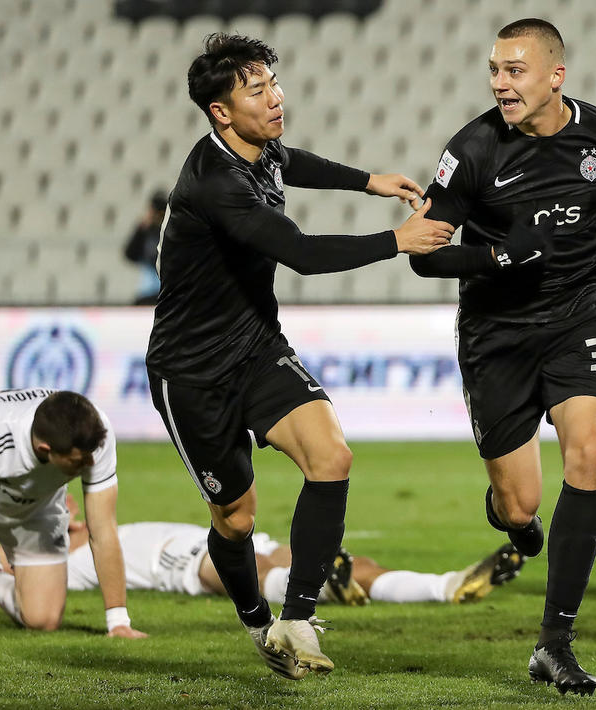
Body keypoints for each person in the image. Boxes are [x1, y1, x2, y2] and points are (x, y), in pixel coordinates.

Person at [145, 33, 453, 681]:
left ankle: (301, 615)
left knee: (331, 455)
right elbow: (303, 255)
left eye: (273, 84)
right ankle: (259, 623)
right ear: (221, 112)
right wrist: (396, 240)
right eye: (257, 91)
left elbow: (293, 162)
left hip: (258, 347)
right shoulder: (215, 183)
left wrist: (368, 181)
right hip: (192, 373)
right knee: (236, 519)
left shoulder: (257, 148)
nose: (276, 98)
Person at [408, 19, 596, 696]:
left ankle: (555, 642)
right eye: (494, 70)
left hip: (579, 318)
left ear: (555, 76)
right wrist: (495, 256)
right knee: (521, 506)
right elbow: (423, 255)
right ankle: (510, 519)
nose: (500, 83)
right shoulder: (472, 149)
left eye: (514, 70)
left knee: (589, 452)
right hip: (496, 333)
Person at [0, 497, 526, 607]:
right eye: (61, 509)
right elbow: (16, 571)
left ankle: (445, 584)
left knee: (350, 561)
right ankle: (321, 585)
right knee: (259, 566)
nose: (71, 508)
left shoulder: (103, 531)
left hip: (220, 537)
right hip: (183, 563)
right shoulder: (67, 562)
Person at [0, 388, 146, 639]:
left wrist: (118, 621)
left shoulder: (95, 435)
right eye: (78, 461)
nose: (90, 464)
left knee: (43, 619)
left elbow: (103, 530)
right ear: (45, 449)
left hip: (38, 506)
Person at [123, 189, 168, 305]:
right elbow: (129, 254)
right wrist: (141, 229)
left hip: (164, 289)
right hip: (148, 289)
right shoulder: (145, 230)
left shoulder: (169, 230)